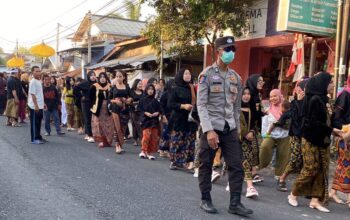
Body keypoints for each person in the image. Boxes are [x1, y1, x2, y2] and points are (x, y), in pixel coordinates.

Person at [197, 36, 252, 216]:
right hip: (211, 128)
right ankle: (205, 199)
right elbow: (201, 105)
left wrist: (236, 128)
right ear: (218, 51)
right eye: (227, 49)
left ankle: (235, 203)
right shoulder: (206, 75)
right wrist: (209, 130)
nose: (231, 53)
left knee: (236, 166)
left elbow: (236, 107)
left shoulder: (235, 77)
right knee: (206, 164)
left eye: (233, 50)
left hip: (229, 128)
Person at [288, 72, 342, 213]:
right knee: (311, 168)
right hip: (310, 139)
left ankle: (315, 200)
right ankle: (293, 194)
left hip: (323, 140)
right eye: (330, 82)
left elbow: (331, 118)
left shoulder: (326, 100)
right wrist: (331, 130)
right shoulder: (314, 100)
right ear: (323, 84)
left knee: (321, 169)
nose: (333, 85)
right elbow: (312, 123)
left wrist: (335, 128)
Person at [277, 79, 308, 192]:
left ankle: (302, 186)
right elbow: (296, 117)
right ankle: (282, 178)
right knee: (295, 158)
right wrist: (299, 101)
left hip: (306, 135)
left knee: (304, 160)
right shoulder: (294, 103)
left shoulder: (310, 101)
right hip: (296, 135)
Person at [168, 68, 198, 170]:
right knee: (178, 140)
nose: (188, 75)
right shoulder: (175, 88)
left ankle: (187, 162)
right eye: (185, 74)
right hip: (178, 119)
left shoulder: (192, 88)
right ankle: (174, 161)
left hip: (190, 119)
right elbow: (170, 104)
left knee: (189, 140)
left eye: (189, 73)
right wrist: (183, 106)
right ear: (180, 75)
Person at [259, 89, 290, 180]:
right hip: (270, 134)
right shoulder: (268, 110)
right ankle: (258, 166)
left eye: (275, 96)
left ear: (280, 96)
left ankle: (279, 174)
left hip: (285, 134)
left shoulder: (287, 108)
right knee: (265, 146)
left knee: (283, 154)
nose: (273, 98)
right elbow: (265, 123)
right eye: (271, 96)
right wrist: (265, 134)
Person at [329, 75, 350, 206]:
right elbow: (337, 116)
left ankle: (333, 191)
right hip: (346, 135)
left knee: (343, 165)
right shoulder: (346, 95)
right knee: (346, 165)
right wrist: (341, 133)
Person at [237, 87, 260, 198]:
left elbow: (253, 124)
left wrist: (251, 131)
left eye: (248, 93)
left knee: (246, 160)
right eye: (244, 94)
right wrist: (244, 133)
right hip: (236, 139)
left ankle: (249, 186)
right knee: (235, 162)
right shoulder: (235, 108)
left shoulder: (250, 108)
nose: (246, 96)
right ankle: (246, 185)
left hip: (247, 139)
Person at [109, 70, 133, 153]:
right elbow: (109, 99)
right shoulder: (113, 88)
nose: (118, 78)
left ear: (124, 77)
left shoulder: (127, 87)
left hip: (125, 110)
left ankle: (120, 144)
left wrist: (130, 99)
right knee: (117, 127)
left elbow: (131, 97)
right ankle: (117, 145)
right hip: (115, 109)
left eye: (120, 76)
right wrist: (115, 101)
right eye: (117, 76)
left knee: (123, 128)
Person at [90, 72, 115, 148]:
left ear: (106, 78)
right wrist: (91, 106)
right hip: (98, 109)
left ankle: (108, 141)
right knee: (99, 124)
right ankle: (101, 141)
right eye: (101, 77)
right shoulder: (94, 86)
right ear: (99, 78)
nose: (102, 79)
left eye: (104, 77)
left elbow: (113, 96)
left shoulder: (110, 86)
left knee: (108, 125)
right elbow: (90, 98)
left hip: (108, 109)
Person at [138, 84, 161, 160]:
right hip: (146, 121)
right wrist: (145, 113)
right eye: (149, 89)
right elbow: (139, 109)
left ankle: (149, 152)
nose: (150, 91)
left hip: (154, 121)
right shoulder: (142, 100)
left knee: (153, 137)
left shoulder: (156, 101)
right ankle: (143, 151)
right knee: (146, 136)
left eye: (152, 89)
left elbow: (160, 110)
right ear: (146, 90)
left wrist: (157, 113)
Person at [75, 71, 96, 143]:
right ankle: (90, 135)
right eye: (91, 75)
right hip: (86, 103)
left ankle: (88, 134)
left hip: (94, 103)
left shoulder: (96, 83)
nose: (93, 77)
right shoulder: (85, 83)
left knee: (93, 119)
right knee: (88, 119)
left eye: (94, 75)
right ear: (88, 76)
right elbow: (75, 88)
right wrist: (81, 97)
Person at [28, 66, 45, 144]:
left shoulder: (39, 81)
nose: (39, 73)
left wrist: (43, 103)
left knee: (38, 122)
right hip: (34, 106)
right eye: (36, 71)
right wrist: (36, 106)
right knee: (35, 123)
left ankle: (39, 137)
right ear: (32, 72)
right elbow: (33, 95)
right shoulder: (33, 82)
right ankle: (34, 138)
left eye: (39, 71)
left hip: (40, 105)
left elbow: (40, 94)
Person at [159, 79, 175, 158]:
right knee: (165, 133)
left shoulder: (175, 94)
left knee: (172, 134)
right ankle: (162, 149)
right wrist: (163, 116)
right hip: (166, 116)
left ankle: (168, 150)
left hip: (173, 117)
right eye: (172, 85)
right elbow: (161, 106)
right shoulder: (165, 94)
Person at [130, 79, 144, 146]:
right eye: (139, 84)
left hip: (141, 111)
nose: (140, 85)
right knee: (134, 125)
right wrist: (135, 103)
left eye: (141, 84)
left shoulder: (143, 92)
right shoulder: (131, 92)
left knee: (140, 125)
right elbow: (129, 101)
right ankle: (135, 140)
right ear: (136, 84)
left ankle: (141, 139)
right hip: (133, 111)